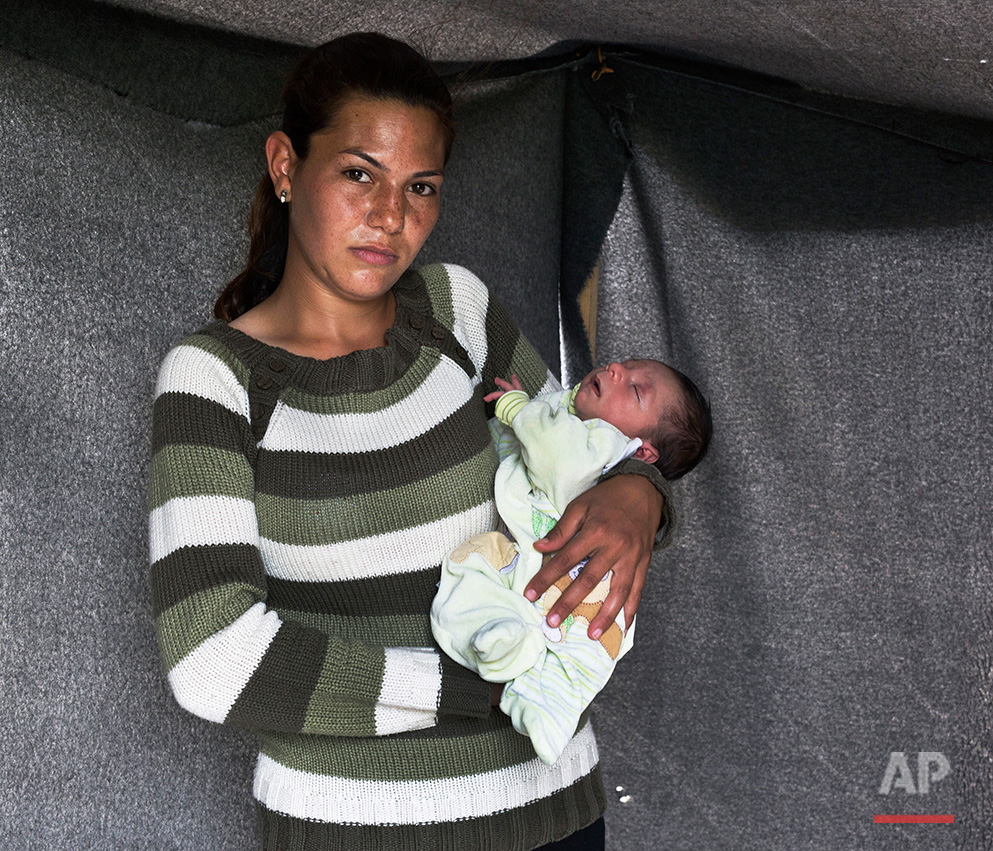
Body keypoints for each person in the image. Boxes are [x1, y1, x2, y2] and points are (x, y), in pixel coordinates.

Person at [149, 32, 670, 851]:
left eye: (419, 187)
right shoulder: (215, 379)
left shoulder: (455, 310)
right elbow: (212, 655)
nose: (390, 217)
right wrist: (476, 685)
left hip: (555, 808)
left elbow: (579, 450)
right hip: (357, 831)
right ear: (286, 166)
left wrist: (639, 496)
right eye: (358, 173)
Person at [431, 360, 711, 764]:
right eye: (626, 364)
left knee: (469, 569)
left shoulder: (603, 443)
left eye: (634, 389)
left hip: (540, 564)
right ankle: (517, 658)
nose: (615, 370)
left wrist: (516, 408)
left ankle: (529, 678)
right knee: (558, 644)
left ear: (644, 452)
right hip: (551, 571)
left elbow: (556, 454)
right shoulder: (584, 423)